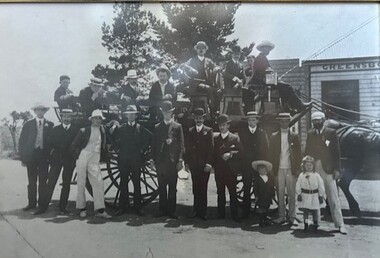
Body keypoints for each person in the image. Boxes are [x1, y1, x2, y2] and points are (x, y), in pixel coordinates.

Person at [305, 111, 347, 234]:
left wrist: (337, 169)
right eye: (314, 121)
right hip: (314, 168)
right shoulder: (310, 134)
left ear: (323, 120)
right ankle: (315, 222)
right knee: (315, 196)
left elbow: (336, 153)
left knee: (333, 196)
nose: (316, 122)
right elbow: (307, 151)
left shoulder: (331, 133)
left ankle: (340, 224)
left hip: (328, 169)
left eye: (319, 120)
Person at [34, 109, 79, 215]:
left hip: (69, 160)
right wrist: (51, 158)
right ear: (61, 117)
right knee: (51, 183)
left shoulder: (76, 130)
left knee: (66, 184)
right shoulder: (55, 129)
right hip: (56, 160)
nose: (66, 119)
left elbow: (78, 146)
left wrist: (74, 157)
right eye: (64, 116)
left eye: (69, 116)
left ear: (71, 118)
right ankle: (43, 207)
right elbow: (49, 145)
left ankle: (63, 207)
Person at [71, 109, 111, 219]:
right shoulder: (84, 130)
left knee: (98, 182)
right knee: (81, 183)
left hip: (95, 157)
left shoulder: (103, 130)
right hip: (83, 156)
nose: (98, 120)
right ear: (92, 119)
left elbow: (110, 134)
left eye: (100, 118)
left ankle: (100, 210)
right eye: (96, 118)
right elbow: (74, 145)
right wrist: (78, 157)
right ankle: (82, 209)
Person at [252, 40, 311, 113]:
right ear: (262, 48)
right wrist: (275, 80)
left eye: (269, 49)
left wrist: (276, 80)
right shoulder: (261, 58)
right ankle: (299, 106)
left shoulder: (262, 58)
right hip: (262, 83)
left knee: (283, 88)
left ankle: (289, 108)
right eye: (267, 48)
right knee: (288, 87)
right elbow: (263, 73)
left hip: (265, 82)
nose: (268, 50)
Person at [112, 105, 150, 216]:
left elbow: (147, 140)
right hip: (123, 159)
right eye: (129, 114)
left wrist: (142, 151)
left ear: (136, 116)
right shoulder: (121, 128)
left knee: (136, 183)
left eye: (133, 114)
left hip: (136, 159)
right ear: (126, 115)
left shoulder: (140, 128)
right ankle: (123, 207)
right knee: (123, 182)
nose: (131, 116)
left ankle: (138, 208)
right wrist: (118, 150)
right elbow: (115, 141)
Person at [150, 101, 184, 219]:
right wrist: (152, 160)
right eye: (165, 112)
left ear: (172, 112)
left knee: (172, 187)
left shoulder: (177, 127)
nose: (167, 114)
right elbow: (153, 145)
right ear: (162, 112)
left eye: (169, 112)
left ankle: (172, 210)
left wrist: (180, 160)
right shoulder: (157, 127)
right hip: (161, 162)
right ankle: (162, 209)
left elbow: (181, 145)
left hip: (172, 161)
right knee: (162, 186)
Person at [18, 103, 54, 212]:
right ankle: (31, 203)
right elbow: (22, 141)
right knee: (32, 180)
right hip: (31, 156)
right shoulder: (28, 124)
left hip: (44, 156)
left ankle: (42, 205)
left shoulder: (50, 124)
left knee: (43, 181)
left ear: (45, 112)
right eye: (38, 110)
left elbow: (52, 142)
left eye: (42, 110)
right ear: (35, 111)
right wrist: (23, 158)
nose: (40, 112)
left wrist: (50, 157)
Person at [269, 113, 302, 226]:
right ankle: (281, 216)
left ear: (289, 122)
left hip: (290, 169)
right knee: (280, 193)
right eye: (282, 121)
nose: (284, 123)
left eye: (286, 121)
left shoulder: (294, 136)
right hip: (279, 169)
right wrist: (272, 170)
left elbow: (298, 154)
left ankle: (292, 217)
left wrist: (297, 169)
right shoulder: (274, 136)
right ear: (279, 122)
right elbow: (271, 154)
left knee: (292, 194)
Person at [184, 108, 214, 220]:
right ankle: (195, 210)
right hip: (194, 165)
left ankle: (203, 211)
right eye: (196, 118)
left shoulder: (209, 130)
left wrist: (209, 163)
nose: (198, 120)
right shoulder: (190, 130)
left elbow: (211, 148)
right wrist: (187, 163)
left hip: (204, 165)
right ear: (194, 119)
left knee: (203, 188)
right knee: (196, 188)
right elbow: (187, 148)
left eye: (200, 118)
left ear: (203, 118)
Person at [238, 111, 268, 219]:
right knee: (246, 187)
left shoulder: (262, 133)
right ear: (247, 121)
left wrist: (263, 165)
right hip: (246, 164)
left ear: (257, 121)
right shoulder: (242, 133)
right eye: (249, 120)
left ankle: (261, 211)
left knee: (259, 187)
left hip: (258, 165)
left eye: (253, 120)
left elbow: (265, 149)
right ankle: (245, 212)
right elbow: (240, 149)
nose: (251, 122)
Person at [213, 114, 242, 222]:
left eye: (224, 125)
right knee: (220, 192)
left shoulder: (235, 138)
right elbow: (213, 153)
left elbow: (241, 152)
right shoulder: (215, 139)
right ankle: (221, 214)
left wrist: (230, 154)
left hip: (231, 170)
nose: (222, 127)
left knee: (232, 192)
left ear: (228, 125)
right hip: (219, 170)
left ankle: (235, 214)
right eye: (220, 125)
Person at [296, 155, 326, 231]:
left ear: (313, 166)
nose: (309, 167)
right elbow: (298, 185)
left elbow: (321, 185)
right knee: (305, 211)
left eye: (310, 165)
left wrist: (321, 195)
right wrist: (299, 193)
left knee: (315, 210)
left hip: (314, 195)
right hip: (305, 195)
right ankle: (305, 224)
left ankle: (315, 224)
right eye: (307, 165)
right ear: (304, 166)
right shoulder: (301, 175)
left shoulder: (316, 175)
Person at [252, 160, 275, 227]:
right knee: (261, 209)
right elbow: (255, 188)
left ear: (266, 170)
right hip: (261, 196)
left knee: (266, 208)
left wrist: (272, 194)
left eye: (263, 170)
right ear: (258, 171)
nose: (261, 171)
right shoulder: (257, 179)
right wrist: (256, 196)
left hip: (267, 196)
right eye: (260, 170)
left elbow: (271, 187)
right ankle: (261, 221)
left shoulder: (269, 178)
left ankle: (265, 220)